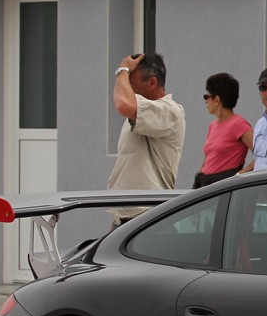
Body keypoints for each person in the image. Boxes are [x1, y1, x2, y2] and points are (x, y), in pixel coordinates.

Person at [108, 52, 186, 227]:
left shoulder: (170, 111)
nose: (128, 88)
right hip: (127, 215)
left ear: (152, 83)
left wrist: (122, 70)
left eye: (131, 83)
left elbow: (122, 104)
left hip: (149, 216)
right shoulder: (137, 114)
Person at [195, 72, 254, 186]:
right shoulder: (212, 125)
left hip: (222, 186)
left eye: (207, 96)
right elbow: (209, 157)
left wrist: (239, 175)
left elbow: (262, 155)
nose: (205, 100)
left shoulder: (239, 124)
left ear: (216, 100)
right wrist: (199, 175)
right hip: (204, 184)